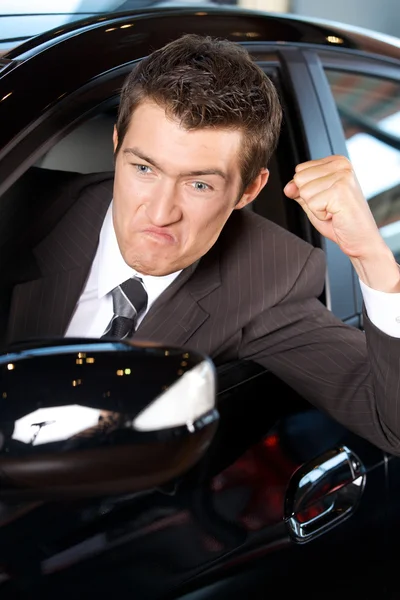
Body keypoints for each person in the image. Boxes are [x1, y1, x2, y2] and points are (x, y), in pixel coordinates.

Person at [4, 34, 400, 455]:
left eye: (198, 184)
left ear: (248, 190)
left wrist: (371, 257)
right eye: (144, 168)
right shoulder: (16, 208)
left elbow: (390, 425)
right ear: (117, 145)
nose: (160, 213)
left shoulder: (266, 278)